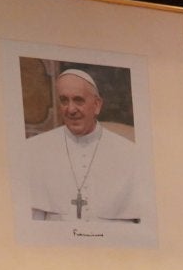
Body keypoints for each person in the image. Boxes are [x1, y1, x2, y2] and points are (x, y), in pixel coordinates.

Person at [20, 69, 147, 223]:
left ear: (97, 105)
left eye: (78, 100)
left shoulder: (130, 154)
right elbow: (30, 223)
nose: (71, 109)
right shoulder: (35, 150)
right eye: (64, 100)